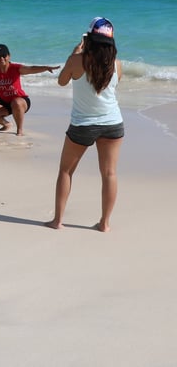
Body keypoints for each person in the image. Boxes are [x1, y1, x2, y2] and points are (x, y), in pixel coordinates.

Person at [46, 17, 123, 232]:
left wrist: (73, 54)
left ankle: (57, 221)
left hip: (83, 125)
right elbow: (111, 90)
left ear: (88, 38)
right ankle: (104, 224)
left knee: (66, 171)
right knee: (109, 173)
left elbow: (61, 81)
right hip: (113, 123)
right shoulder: (117, 64)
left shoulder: (77, 60)